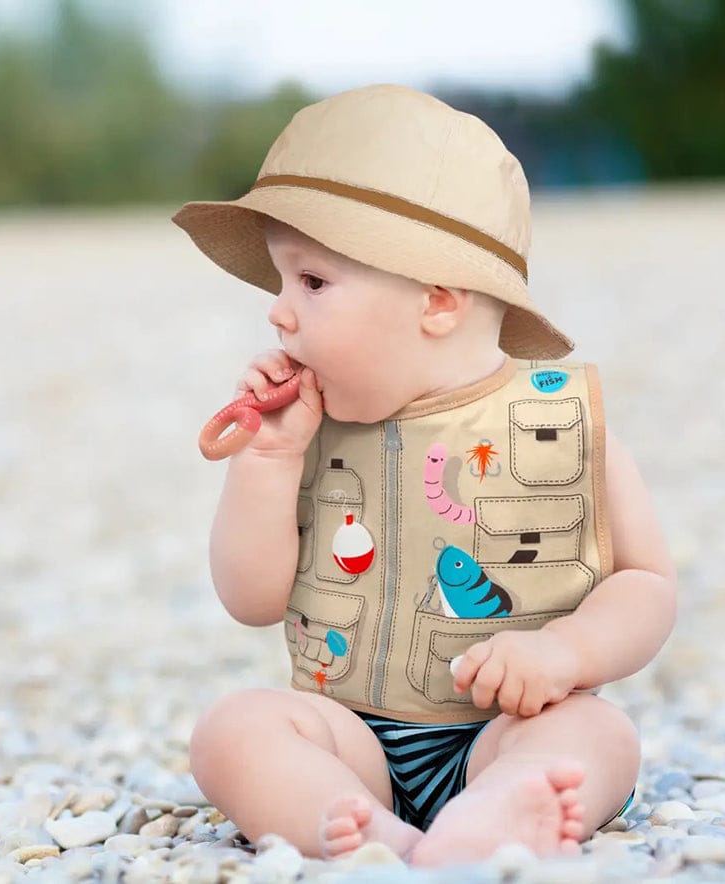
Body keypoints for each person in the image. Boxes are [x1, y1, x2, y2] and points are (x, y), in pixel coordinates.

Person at [170, 83, 677, 866]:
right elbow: (251, 599)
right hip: (350, 738)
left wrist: (566, 653)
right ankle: (360, 825)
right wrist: (267, 461)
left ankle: (499, 808)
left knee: (598, 735)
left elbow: (648, 585)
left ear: (438, 301)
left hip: (505, 729)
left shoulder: (559, 423)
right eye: (280, 281)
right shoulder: (307, 433)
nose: (278, 311)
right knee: (230, 731)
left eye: (312, 282)